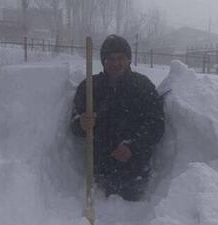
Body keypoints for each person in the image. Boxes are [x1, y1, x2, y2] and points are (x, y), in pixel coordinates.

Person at [70, 34, 164, 201]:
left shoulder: (142, 87)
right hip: (100, 170)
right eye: (110, 58)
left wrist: (132, 147)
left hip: (135, 171)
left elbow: (156, 126)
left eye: (121, 58)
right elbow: (75, 125)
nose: (115, 63)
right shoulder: (90, 87)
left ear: (129, 60)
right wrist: (81, 124)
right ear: (103, 61)